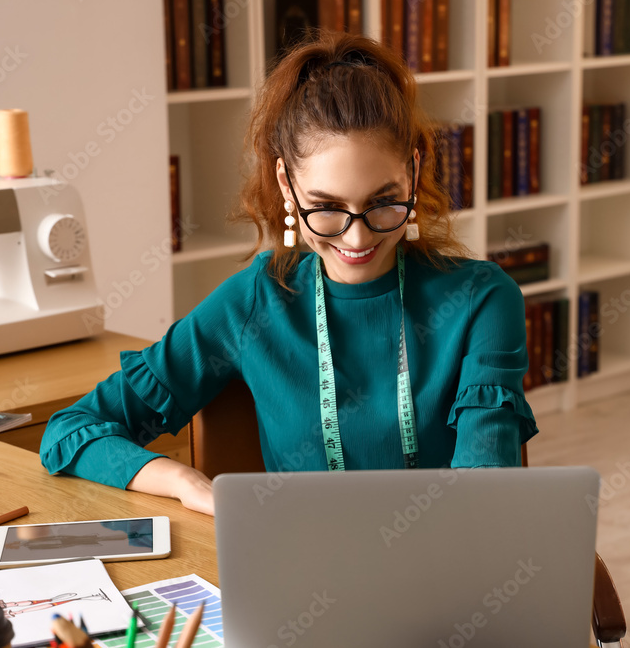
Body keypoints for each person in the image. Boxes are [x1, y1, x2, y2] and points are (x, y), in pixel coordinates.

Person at [40, 30, 536, 516]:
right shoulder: (255, 301)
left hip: (444, 579)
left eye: (383, 203)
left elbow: (484, 500)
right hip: (300, 584)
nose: (356, 239)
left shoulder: (482, 301)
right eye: (326, 207)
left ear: (413, 167)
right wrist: (183, 482)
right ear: (286, 185)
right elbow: (73, 429)